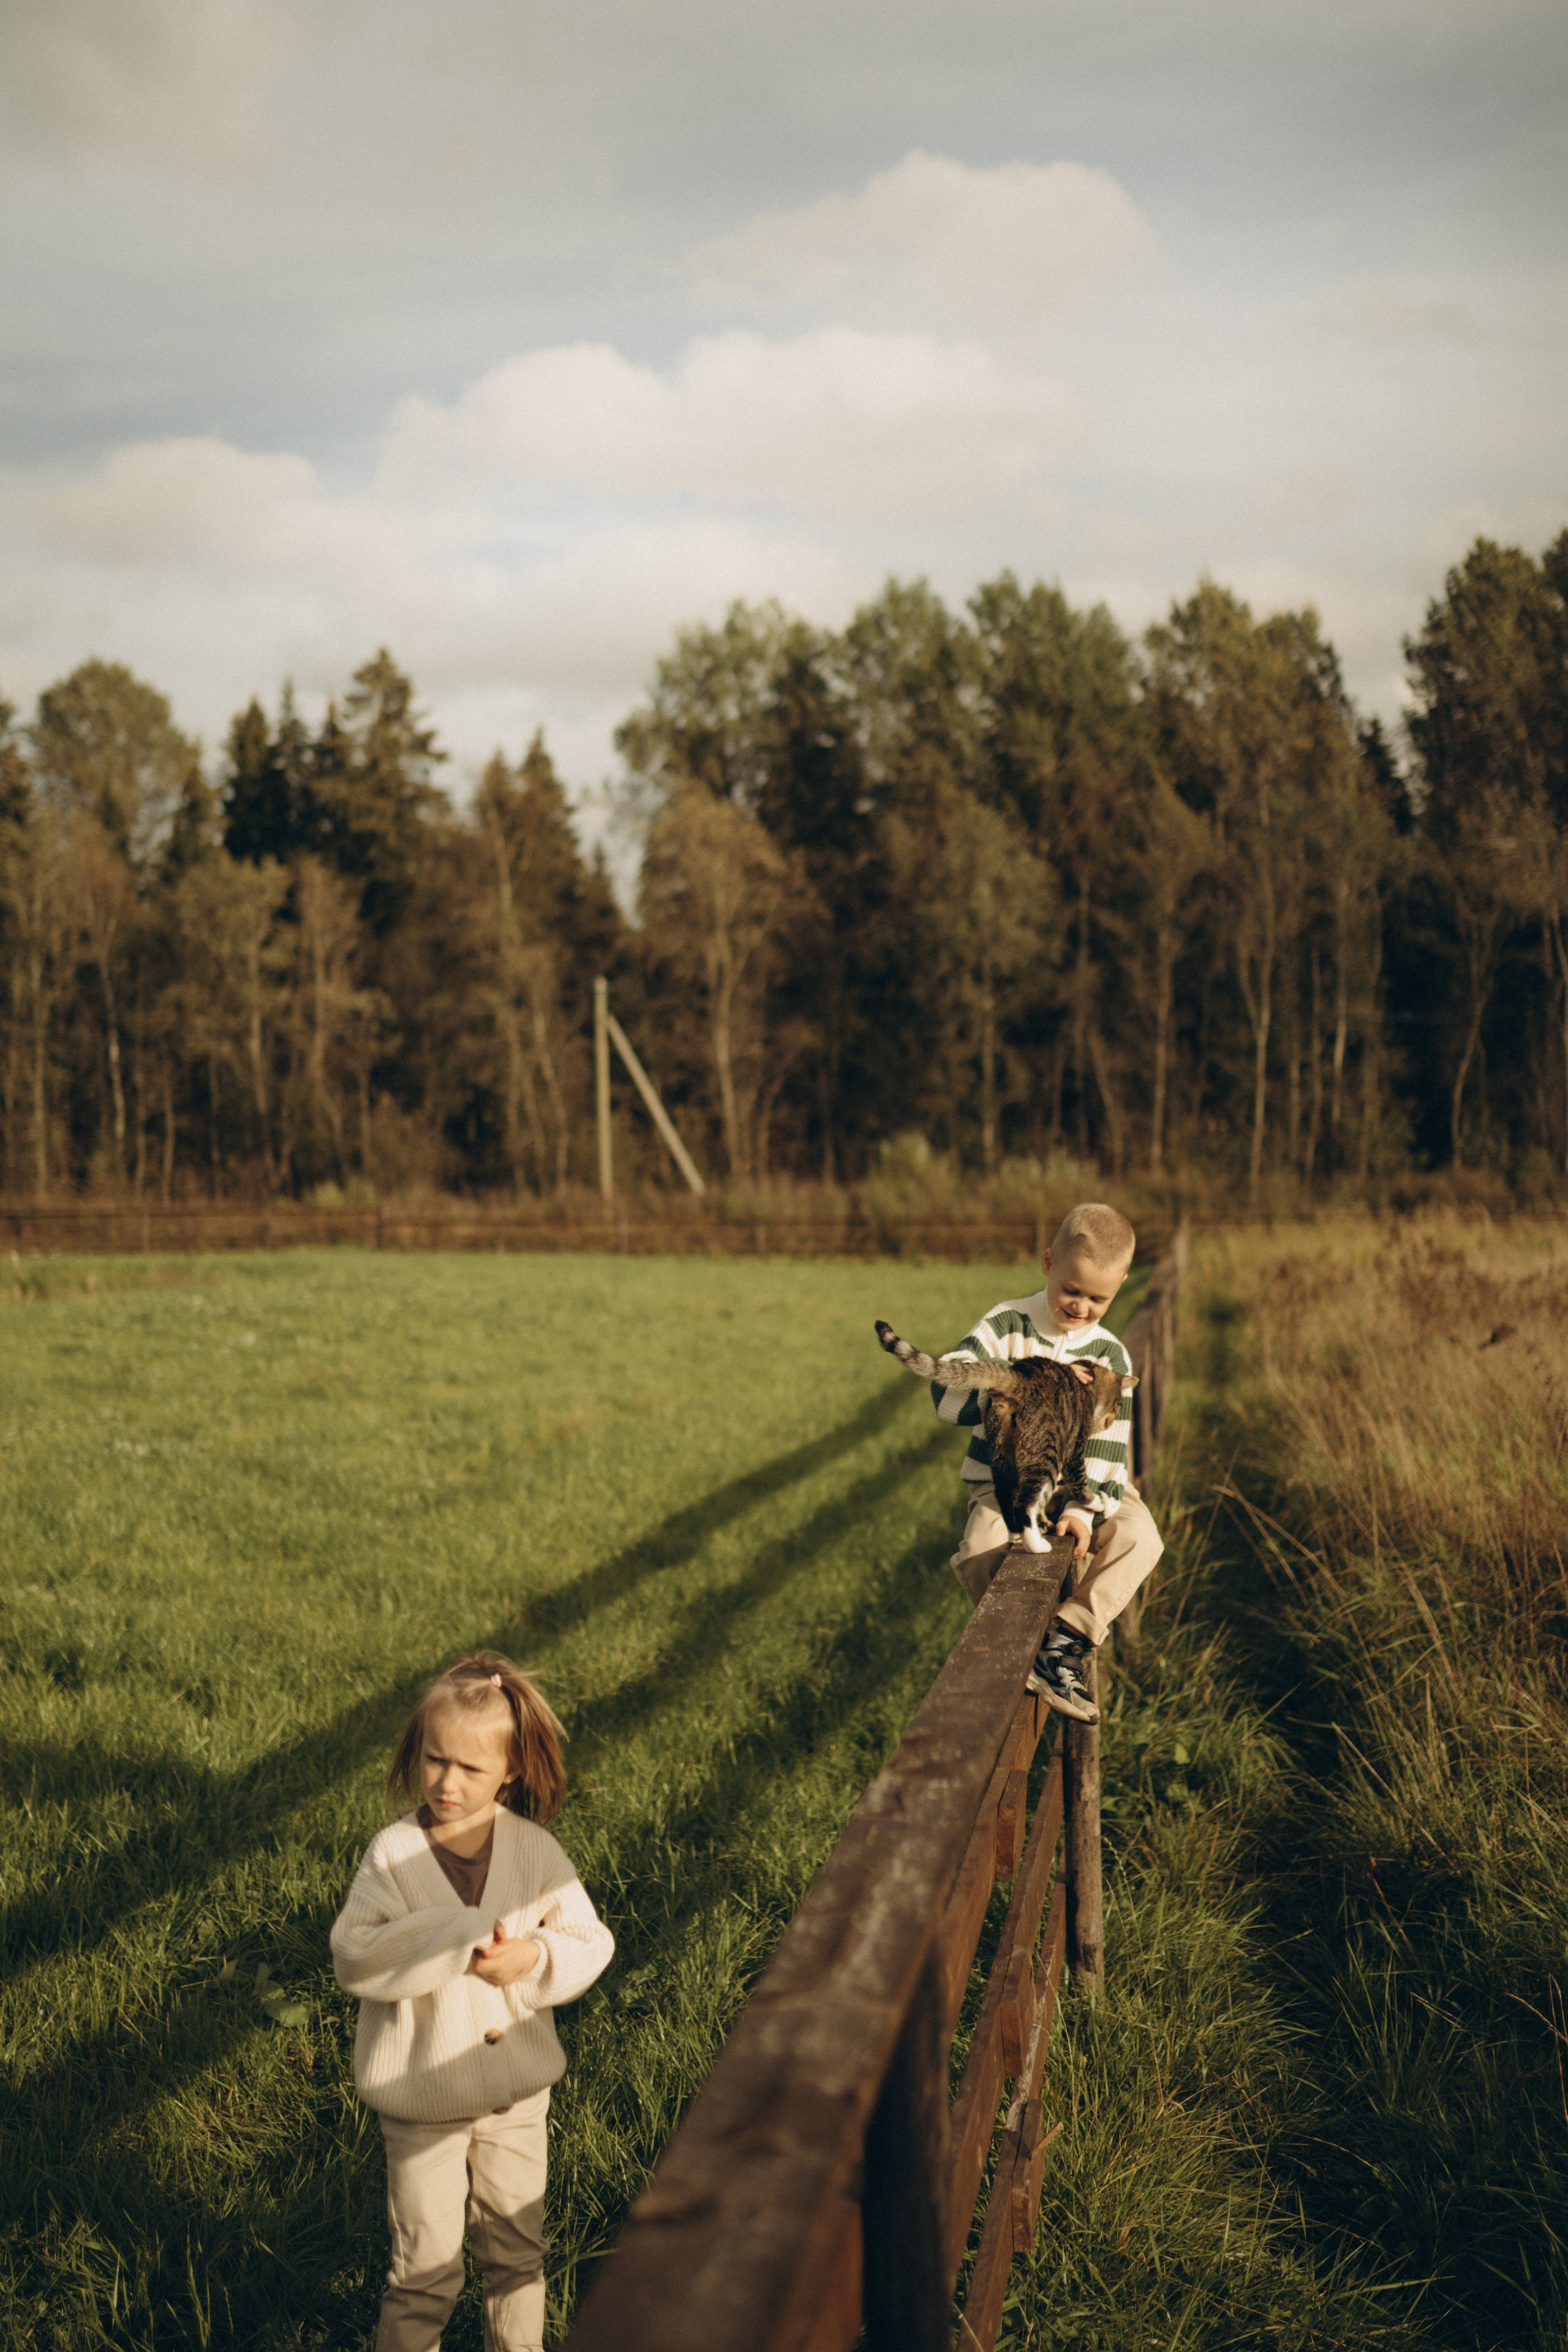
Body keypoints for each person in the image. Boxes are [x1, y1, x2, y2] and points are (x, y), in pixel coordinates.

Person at [331, 1652, 613, 2352]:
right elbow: (355, 1956)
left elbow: (589, 1938)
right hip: (421, 2102)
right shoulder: (392, 1855)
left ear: (511, 1771)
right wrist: (456, 1932)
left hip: (516, 2103)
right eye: (434, 1762)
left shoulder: (535, 1853)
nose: (447, 1784)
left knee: (518, 2260)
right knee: (425, 2272)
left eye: (471, 1769)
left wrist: (535, 1957)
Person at [935, 1202, 1163, 1724]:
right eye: (1071, 1290)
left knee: (1141, 1536)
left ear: (1121, 1287)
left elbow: (1111, 1447)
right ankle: (1019, 1647)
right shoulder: (1007, 1323)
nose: (1080, 1306)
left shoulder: (1111, 1356)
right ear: (1047, 1263)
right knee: (982, 1544)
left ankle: (1067, 1639)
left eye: (1098, 1298)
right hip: (1008, 1479)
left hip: (1089, 1483)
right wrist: (1015, 1383)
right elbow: (946, 1400)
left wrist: (1088, 1510)